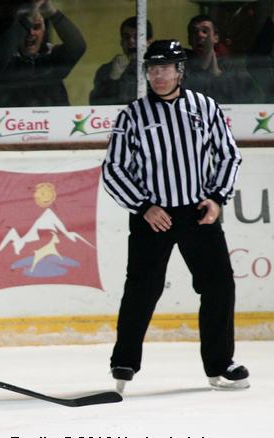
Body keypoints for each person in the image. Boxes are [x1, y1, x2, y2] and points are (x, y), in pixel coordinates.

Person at [101, 40, 249, 393]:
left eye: (165, 68)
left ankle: (220, 363)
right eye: (152, 69)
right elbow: (114, 169)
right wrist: (143, 206)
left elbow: (228, 155)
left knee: (219, 285)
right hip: (153, 216)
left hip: (198, 213)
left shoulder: (205, 107)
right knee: (141, 289)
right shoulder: (132, 115)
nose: (158, 75)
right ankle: (124, 362)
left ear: (180, 70)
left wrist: (217, 198)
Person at [0, 0, 85, 107]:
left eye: (36, 27)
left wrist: (51, 11)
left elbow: (77, 46)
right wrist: (27, 18)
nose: (31, 33)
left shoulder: (51, 61)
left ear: (44, 31)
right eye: (26, 27)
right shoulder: (4, 64)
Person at [184, 14, 260, 104]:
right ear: (189, 39)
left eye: (205, 31)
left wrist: (217, 74)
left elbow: (250, 96)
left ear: (216, 38)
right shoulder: (182, 68)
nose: (200, 35)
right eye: (195, 32)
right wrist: (206, 61)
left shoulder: (233, 67)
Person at [89, 16, 153, 106]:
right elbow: (95, 103)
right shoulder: (106, 70)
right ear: (121, 42)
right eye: (126, 37)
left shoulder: (159, 69)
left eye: (137, 37)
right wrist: (113, 78)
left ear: (149, 42)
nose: (131, 41)